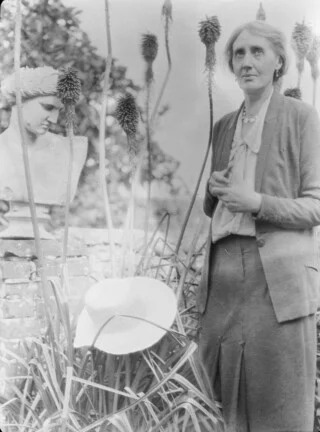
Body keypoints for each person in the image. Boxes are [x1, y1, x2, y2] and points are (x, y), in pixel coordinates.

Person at [197, 20, 320, 431]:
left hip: (277, 278)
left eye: (257, 52)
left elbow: (315, 207)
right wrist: (214, 192)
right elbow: (213, 209)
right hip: (225, 274)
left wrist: (258, 203)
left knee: (280, 405)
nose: (246, 62)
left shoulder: (303, 118)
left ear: (279, 61)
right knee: (221, 398)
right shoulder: (224, 127)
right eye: (238, 53)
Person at [0, 66, 87, 238]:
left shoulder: (70, 151)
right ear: (19, 101)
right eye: (48, 107)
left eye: (58, 110)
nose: (54, 119)